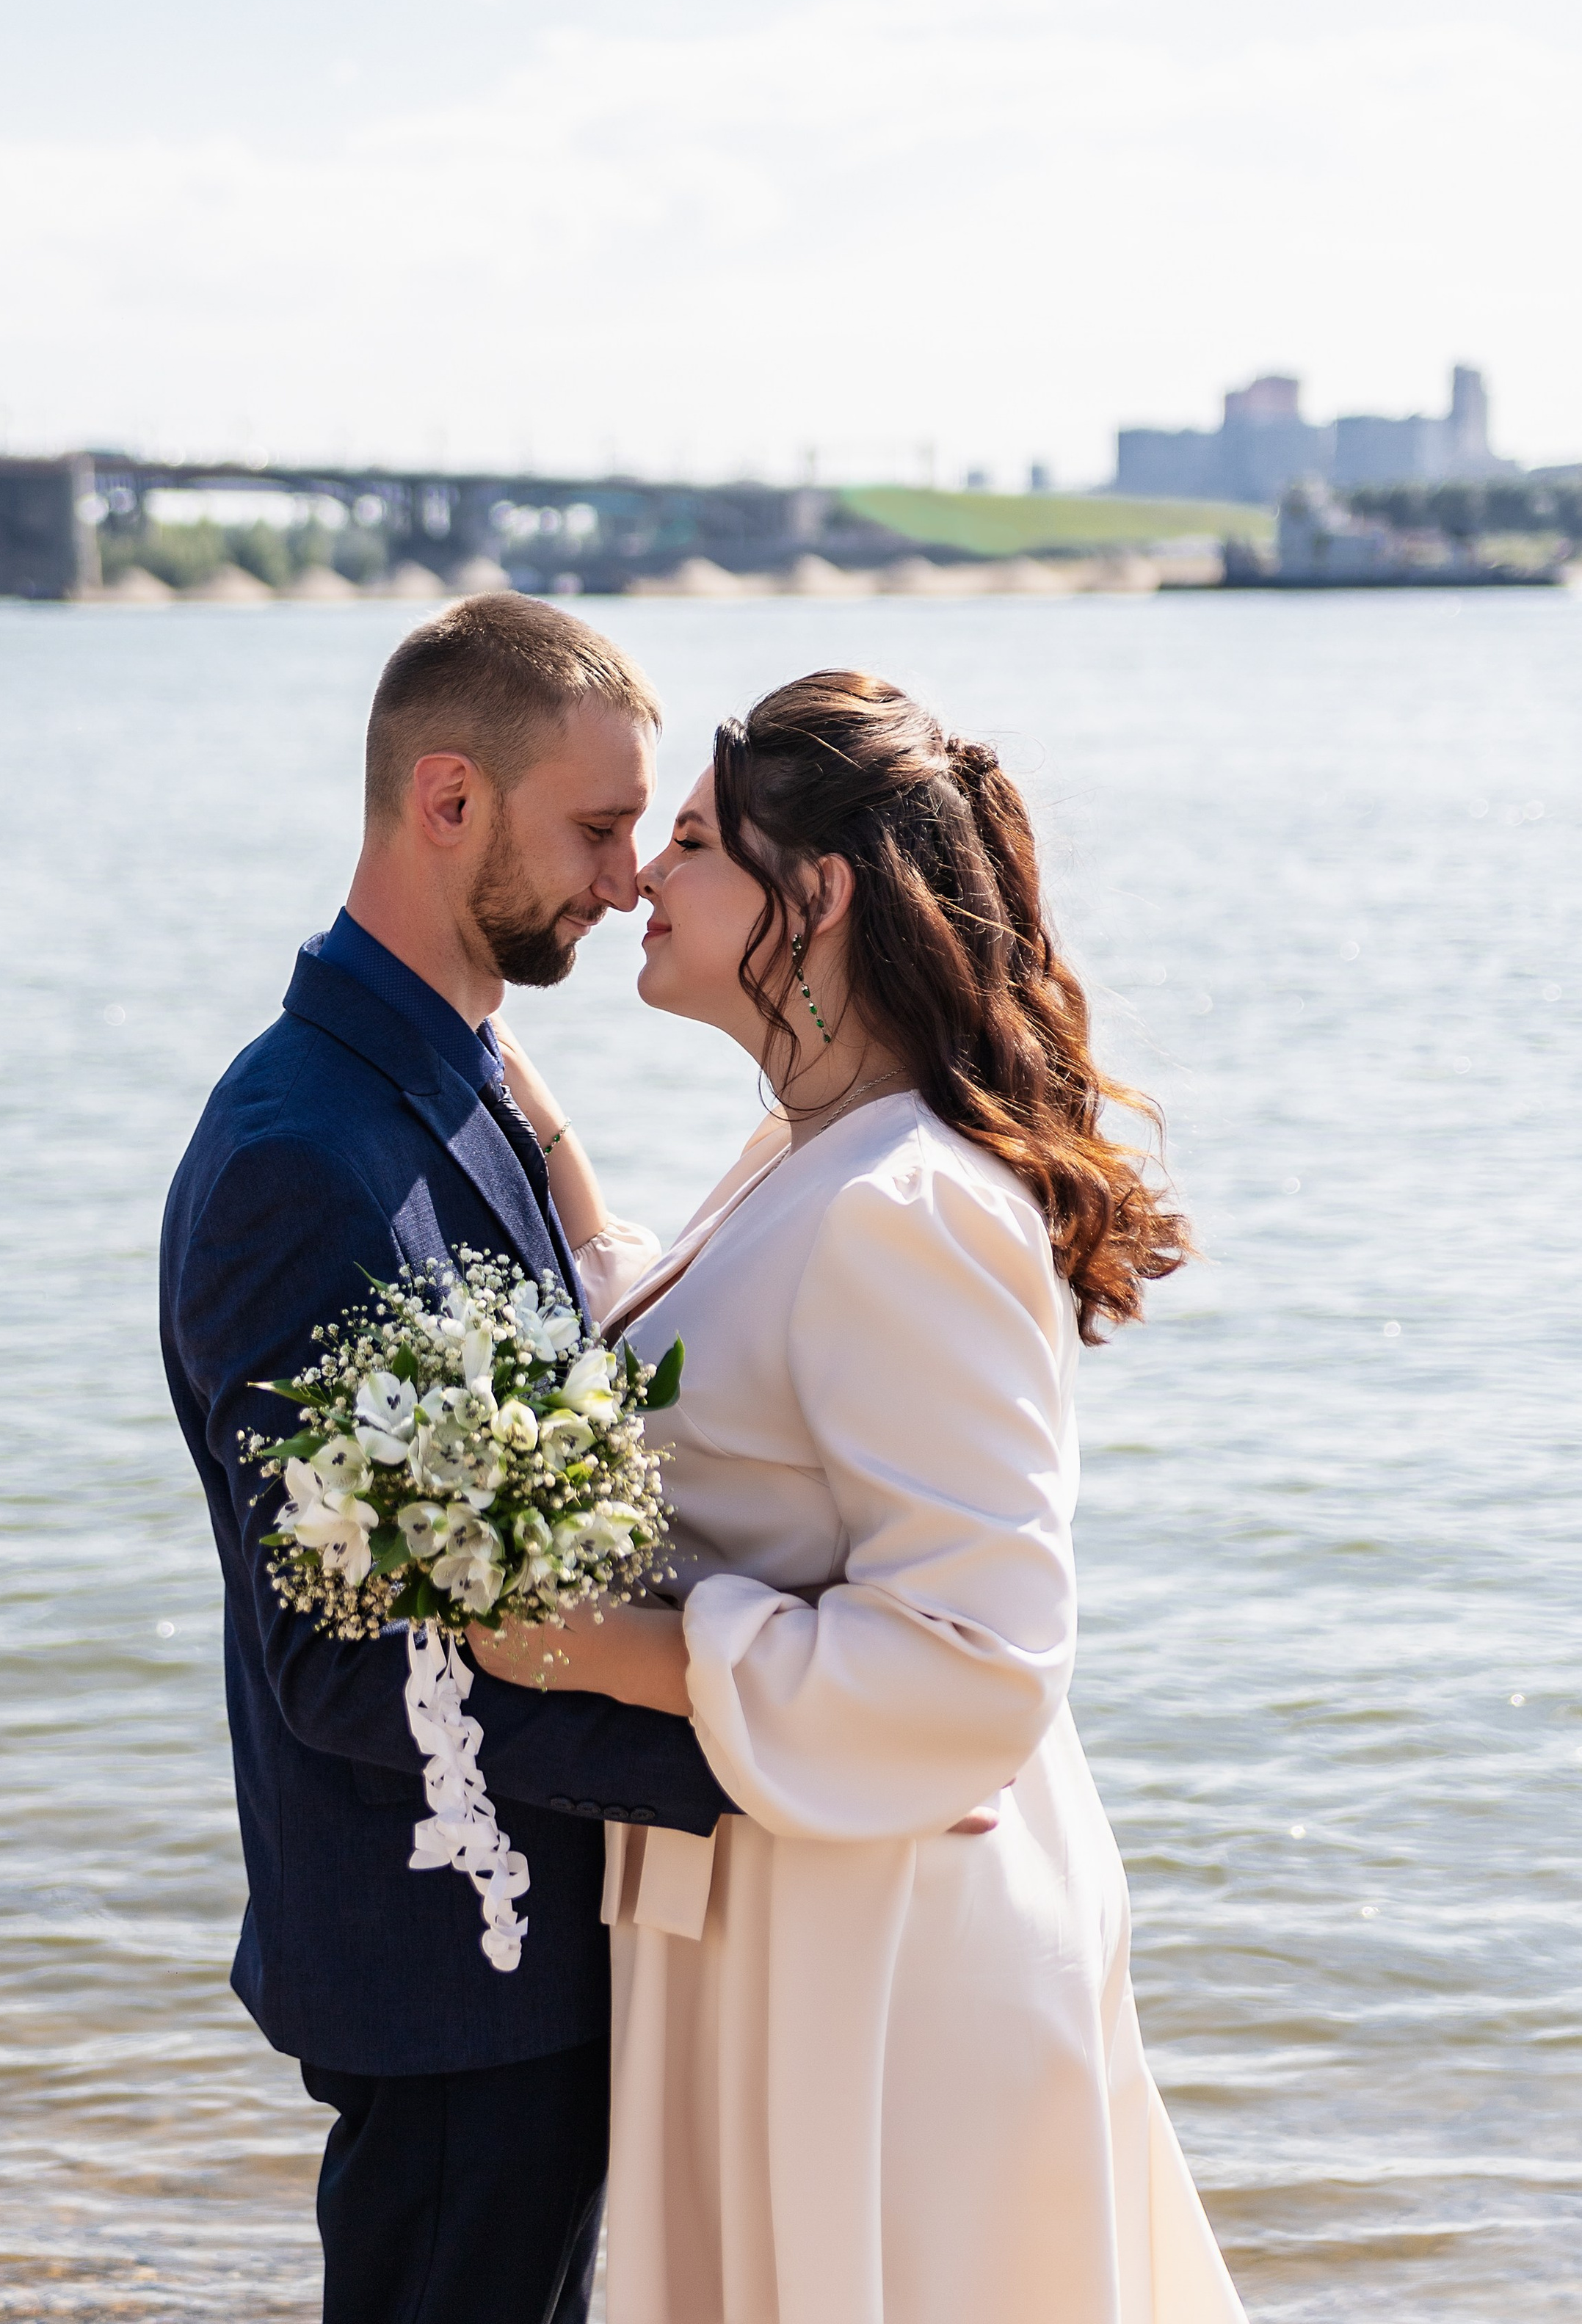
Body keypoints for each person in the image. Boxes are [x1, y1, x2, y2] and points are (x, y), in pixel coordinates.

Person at [471, 669, 1250, 2324]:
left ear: (810, 896)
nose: (634, 881)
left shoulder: (902, 1201)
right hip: (797, 1901)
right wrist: (546, 1165)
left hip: (886, 1945)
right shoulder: (807, 1154)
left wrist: (599, 1646)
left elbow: (976, 1660)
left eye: (685, 843)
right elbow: (737, 1384)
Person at [160, 595, 731, 2324]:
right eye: (597, 825)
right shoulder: (299, 1156)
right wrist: (747, 1772)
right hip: (440, 1972)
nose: (629, 875)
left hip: (527, 1961)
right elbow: (338, 1667)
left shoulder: (457, 1070)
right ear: (446, 800)